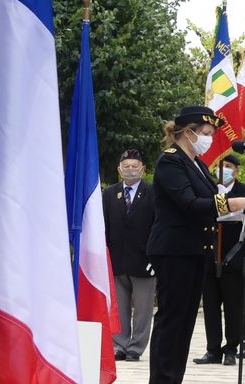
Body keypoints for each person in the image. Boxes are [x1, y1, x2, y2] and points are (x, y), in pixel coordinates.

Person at [146, 105, 245, 384]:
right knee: (172, 321)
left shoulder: (199, 165)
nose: (208, 139)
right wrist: (231, 203)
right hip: (174, 251)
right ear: (188, 132)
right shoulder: (171, 161)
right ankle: (161, 379)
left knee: (185, 323)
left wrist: (236, 209)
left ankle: (173, 378)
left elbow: (208, 205)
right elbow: (189, 204)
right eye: (205, 133)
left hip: (195, 251)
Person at [194, 154, 245, 366]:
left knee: (233, 307)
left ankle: (231, 348)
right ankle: (213, 349)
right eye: (220, 166)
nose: (223, 170)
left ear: (235, 170)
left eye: (228, 166)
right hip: (209, 256)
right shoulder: (209, 190)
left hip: (232, 258)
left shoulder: (244, 192)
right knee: (210, 306)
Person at [103, 149, 155, 362]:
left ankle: (136, 347)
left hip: (144, 260)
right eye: (127, 166)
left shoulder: (153, 192)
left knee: (143, 309)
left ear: (143, 169)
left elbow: (157, 225)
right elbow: (104, 226)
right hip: (117, 259)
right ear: (119, 169)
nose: (131, 169)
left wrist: (155, 256)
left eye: (135, 166)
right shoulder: (109, 193)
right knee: (120, 307)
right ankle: (120, 345)